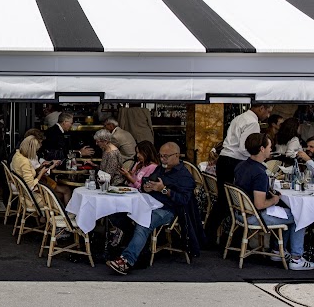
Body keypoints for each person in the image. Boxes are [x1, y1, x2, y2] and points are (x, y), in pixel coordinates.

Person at [106, 142, 195, 275]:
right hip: (149, 202)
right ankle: (139, 248)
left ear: (176, 155)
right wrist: (145, 187)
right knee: (118, 212)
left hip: (168, 210)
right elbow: (146, 181)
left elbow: (184, 200)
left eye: (166, 156)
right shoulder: (160, 169)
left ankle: (126, 260)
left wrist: (164, 190)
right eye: (161, 156)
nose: (163, 159)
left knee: (143, 223)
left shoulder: (184, 175)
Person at [235, 133, 314, 270]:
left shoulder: (241, 165)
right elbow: (260, 204)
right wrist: (274, 199)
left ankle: (278, 251)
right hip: (254, 216)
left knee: (290, 211)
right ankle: (296, 258)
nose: (271, 150)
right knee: (300, 215)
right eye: (270, 147)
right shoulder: (260, 173)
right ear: (262, 149)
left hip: (240, 212)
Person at [207, 103, 273, 245]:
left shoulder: (240, 117)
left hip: (225, 159)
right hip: (234, 161)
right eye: (267, 112)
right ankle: (217, 237)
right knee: (232, 201)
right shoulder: (253, 122)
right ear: (261, 108)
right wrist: (255, 164)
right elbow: (247, 148)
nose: (267, 116)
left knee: (225, 201)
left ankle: (214, 235)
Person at [10, 135, 69, 206]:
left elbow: (27, 171)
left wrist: (41, 167)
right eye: (36, 150)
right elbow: (30, 186)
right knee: (61, 194)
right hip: (29, 194)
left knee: (60, 194)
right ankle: (62, 215)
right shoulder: (24, 162)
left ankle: (46, 216)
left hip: (22, 188)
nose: (36, 152)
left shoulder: (17, 155)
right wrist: (41, 173)